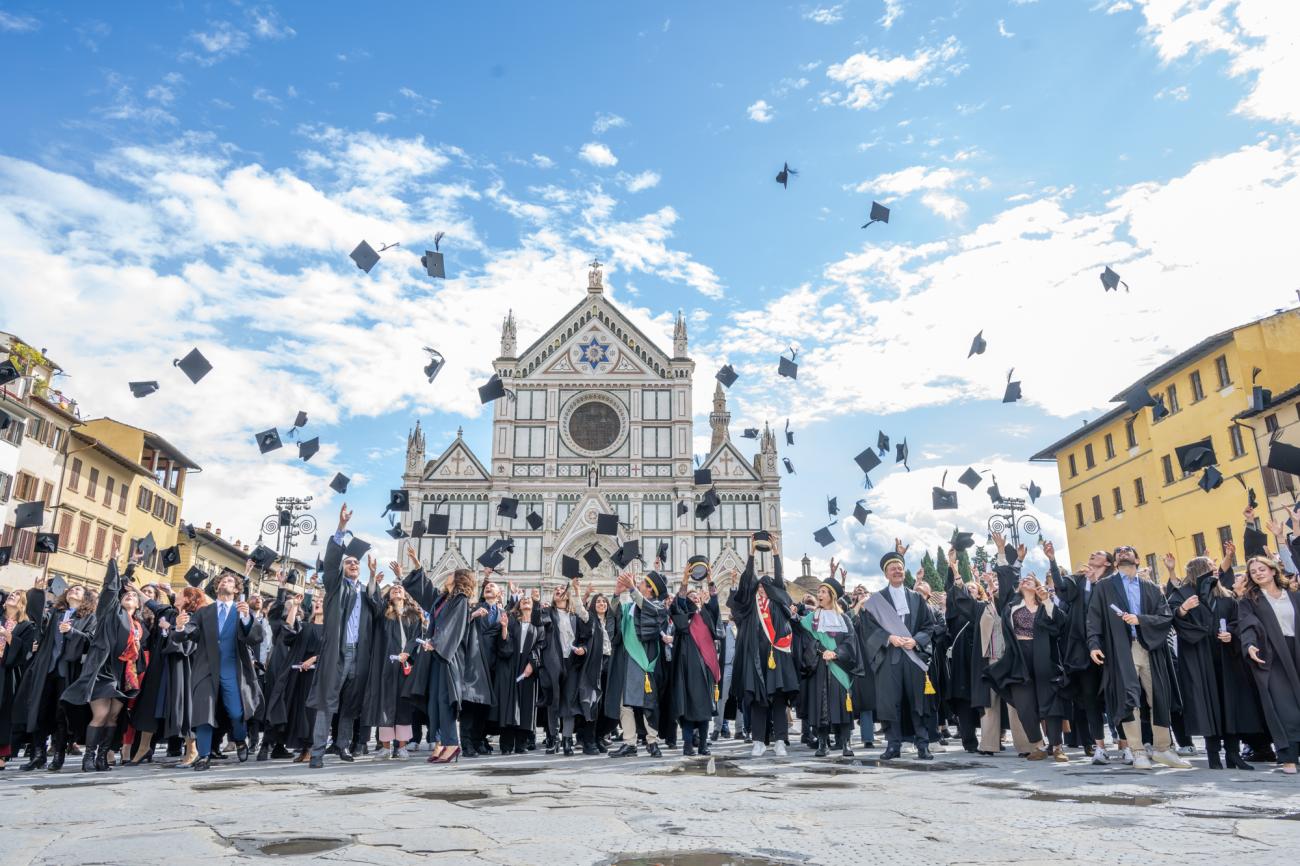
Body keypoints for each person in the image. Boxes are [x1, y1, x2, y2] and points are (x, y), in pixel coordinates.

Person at [1086, 544, 1190, 770]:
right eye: (1119, 552)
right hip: (1122, 648)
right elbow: (1093, 617)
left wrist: (1140, 620)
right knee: (1129, 699)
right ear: (1115, 562)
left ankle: (1163, 749)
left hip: (1151, 648)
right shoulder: (1104, 587)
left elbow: (1165, 617)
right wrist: (1094, 644)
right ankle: (1138, 751)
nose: (1123, 552)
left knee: (1158, 697)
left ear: (1137, 558)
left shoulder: (1151, 588)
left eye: (1128, 550)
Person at [307, 503, 381, 768]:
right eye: (348, 562)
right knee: (328, 702)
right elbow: (330, 562)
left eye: (355, 563)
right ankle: (316, 752)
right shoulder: (336, 586)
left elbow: (380, 608)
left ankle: (342, 745)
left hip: (359, 654)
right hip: (337, 651)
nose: (353, 564)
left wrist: (373, 578)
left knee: (350, 703)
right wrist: (341, 528)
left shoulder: (364, 592)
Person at [169, 568, 264, 771]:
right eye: (222, 580)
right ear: (217, 586)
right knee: (203, 712)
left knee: (237, 712)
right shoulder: (205, 612)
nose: (225, 583)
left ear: (236, 589)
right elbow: (188, 633)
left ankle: (239, 739)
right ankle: (204, 756)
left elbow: (255, 637)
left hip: (233, 668)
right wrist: (179, 627)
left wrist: (247, 618)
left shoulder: (241, 611)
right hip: (205, 668)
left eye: (230, 581)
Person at [62, 553, 148, 772]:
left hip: (123, 675)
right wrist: (115, 564)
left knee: (113, 716)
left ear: (138, 604)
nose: (129, 596)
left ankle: (102, 756)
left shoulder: (139, 626)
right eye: (125, 595)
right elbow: (111, 588)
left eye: (133, 596)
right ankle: (88, 757)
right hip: (103, 669)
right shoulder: (111, 613)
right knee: (100, 714)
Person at [859, 541, 942, 760]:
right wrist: (888, 638)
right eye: (892, 568)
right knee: (890, 703)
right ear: (886, 574)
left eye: (899, 567)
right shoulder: (876, 600)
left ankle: (922, 744)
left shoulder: (916, 598)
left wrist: (915, 641)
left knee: (918, 702)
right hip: (889, 659)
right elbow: (868, 629)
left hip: (913, 656)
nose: (897, 570)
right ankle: (893, 745)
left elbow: (929, 626)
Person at [728, 533, 800, 759]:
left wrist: (776, 554)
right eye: (758, 586)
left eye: (765, 587)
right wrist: (751, 553)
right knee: (758, 702)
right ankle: (758, 741)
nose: (761, 588)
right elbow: (747, 578)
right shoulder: (750, 607)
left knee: (778, 701)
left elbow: (779, 579)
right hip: (754, 660)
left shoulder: (778, 604)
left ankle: (780, 740)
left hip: (776, 659)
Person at [400, 547, 473, 764]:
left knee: (444, 700)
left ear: (459, 579)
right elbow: (425, 590)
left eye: (451, 574)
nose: (447, 575)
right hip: (435, 656)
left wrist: (436, 643)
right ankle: (441, 742)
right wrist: (416, 563)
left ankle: (452, 744)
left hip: (447, 657)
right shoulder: (442, 600)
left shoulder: (460, 600)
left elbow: (454, 627)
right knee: (434, 702)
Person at [14, 575, 93, 772]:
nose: (73, 591)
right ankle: (38, 755)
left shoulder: (88, 618)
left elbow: (91, 642)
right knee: (38, 710)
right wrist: (39, 593)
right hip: (47, 668)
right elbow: (37, 619)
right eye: (71, 589)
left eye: (78, 590)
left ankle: (58, 754)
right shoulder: (56, 613)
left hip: (68, 671)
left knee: (61, 714)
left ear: (85, 599)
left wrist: (72, 632)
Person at [988, 572, 1069, 761]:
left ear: (1038, 586)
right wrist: (1001, 552)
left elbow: (1060, 623)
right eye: (1023, 579)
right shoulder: (1011, 605)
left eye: (1030, 579)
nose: (1025, 580)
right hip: (1018, 658)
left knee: (1051, 703)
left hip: (1044, 657)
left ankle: (1057, 747)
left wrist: (1047, 600)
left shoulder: (1046, 605)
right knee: (1024, 706)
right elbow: (1005, 579)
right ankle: (1038, 746)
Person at [1237, 554, 1300, 774]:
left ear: (1273, 570)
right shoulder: (1250, 600)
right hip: (1272, 656)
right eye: (1253, 572)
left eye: (1262, 569)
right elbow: (1247, 625)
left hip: (1297, 651)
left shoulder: (1293, 595)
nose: (1258, 573)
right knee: (1283, 708)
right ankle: (1288, 756)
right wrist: (1250, 646)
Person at [1051, 545, 1112, 763]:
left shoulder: (1112, 582)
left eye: (1098, 553)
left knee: (1117, 697)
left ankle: (1129, 745)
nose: (1092, 554)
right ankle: (1098, 746)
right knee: (1089, 699)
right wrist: (1052, 559)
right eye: (1092, 553)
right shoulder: (1079, 581)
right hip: (1084, 653)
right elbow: (1060, 586)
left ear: (1107, 563)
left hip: (1111, 649)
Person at [606, 566, 671, 758]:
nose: (638, 584)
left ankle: (652, 741)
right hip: (625, 660)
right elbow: (614, 618)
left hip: (643, 661)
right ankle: (629, 742)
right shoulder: (629, 607)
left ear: (650, 589)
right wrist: (617, 594)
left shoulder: (657, 606)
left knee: (648, 702)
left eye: (642, 583)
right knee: (624, 703)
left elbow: (650, 611)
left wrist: (632, 589)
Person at [798, 573, 860, 757]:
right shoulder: (811, 618)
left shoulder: (844, 619)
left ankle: (846, 743)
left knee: (842, 705)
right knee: (821, 705)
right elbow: (806, 639)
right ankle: (822, 743)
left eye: (824, 591)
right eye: (819, 591)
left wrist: (837, 653)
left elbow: (850, 641)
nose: (820, 594)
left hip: (839, 667)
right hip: (819, 667)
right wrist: (821, 650)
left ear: (832, 596)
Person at [365, 579, 423, 760]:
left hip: (406, 665)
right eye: (393, 589)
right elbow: (373, 602)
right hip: (386, 665)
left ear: (405, 595)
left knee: (403, 705)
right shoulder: (384, 613)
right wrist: (373, 578)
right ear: (389, 596)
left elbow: (417, 637)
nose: (397, 589)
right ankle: (385, 747)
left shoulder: (413, 614)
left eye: (400, 588)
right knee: (385, 704)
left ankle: (402, 747)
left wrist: (407, 652)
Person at [669, 572, 722, 757]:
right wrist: (684, 582)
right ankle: (688, 744)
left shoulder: (706, 615)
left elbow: (715, 604)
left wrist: (709, 580)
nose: (693, 599)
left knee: (706, 707)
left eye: (696, 597)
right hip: (688, 668)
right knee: (689, 708)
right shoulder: (684, 616)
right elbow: (678, 604)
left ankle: (703, 745)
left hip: (706, 665)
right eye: (690, 597)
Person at [491, 591, 541, 756]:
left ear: (533, 606)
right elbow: (505, 644)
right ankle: (506, 744)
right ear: (518, 605)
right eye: (523, 599)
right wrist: (504, 628)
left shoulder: (538, 626)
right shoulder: (512, 622)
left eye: (529, 600)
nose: (526, 601)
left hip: (527, 669)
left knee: (526, 705)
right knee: (509, 704)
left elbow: (540, 647)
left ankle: (521, 743)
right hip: (511, 666)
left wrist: (532, 664)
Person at [538, 581, 581, 756]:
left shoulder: (574, 615)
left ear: (567, 595)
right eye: (556, 590)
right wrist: (539, 607)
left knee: (569, 701)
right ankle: (553, 738)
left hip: (572, 660)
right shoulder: (548, 612)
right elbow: (539, 625)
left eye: (562, 589)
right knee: (554, 701)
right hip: (553, 661)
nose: (558, 591)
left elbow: (583, 635)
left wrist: (582, 648)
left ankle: (567, 740)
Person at [0, 587, 37, 770]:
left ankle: (2, 753)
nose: (12, 596)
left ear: (22, 603)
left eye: (16, 595)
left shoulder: (26, 626)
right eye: (11, 594)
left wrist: (8, 636)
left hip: (7, 673)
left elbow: (26, 652)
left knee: (3, 711)